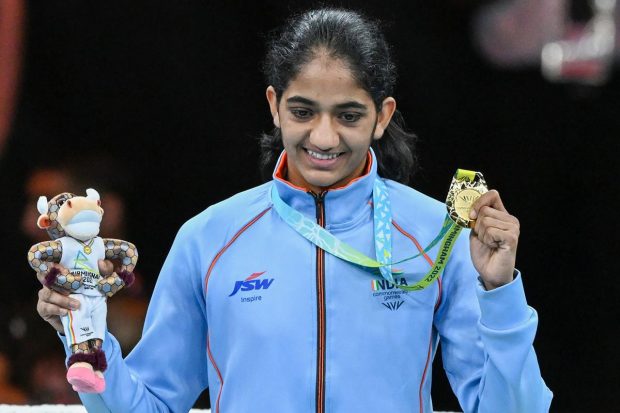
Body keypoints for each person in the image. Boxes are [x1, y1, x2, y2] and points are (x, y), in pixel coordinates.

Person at [35, 7, 553, 412]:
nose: (323, 137)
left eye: (348, 115)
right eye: (303, 111)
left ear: (382, 115)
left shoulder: (435, 236)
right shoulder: (209, 239)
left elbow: (515, 409)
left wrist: (499, 293)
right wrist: (86, 336)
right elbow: (145, 407)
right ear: (273, 106)